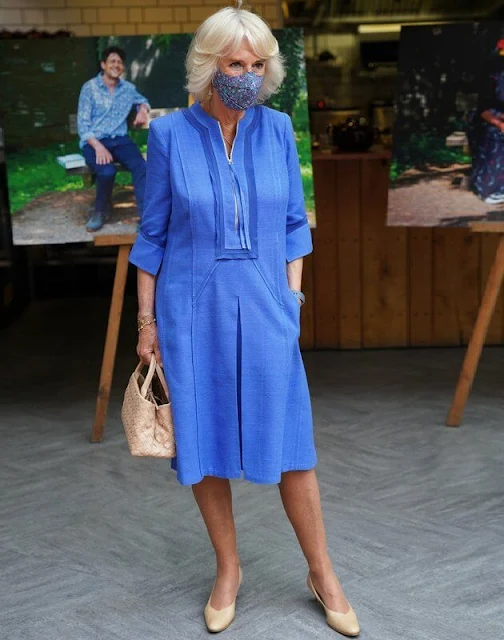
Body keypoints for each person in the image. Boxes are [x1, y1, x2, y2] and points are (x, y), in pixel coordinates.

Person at [129, 2, 360, 636]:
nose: (247, 75)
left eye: (258, 64)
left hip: (266, 305)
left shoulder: (279, 129)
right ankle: (227, 569)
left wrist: (292, 301)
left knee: (292, 444)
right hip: (190, 309)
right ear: (208, 65)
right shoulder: (171, 134)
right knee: (201, 441)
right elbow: (151, 238)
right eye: (236, 63)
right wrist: (147, 325)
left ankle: (322, 570)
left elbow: (292, 225)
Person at [77, 46, 150, 232]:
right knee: (107, 172)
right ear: (103, 65)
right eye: (112, 61)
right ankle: (99, 212)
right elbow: (83, 125)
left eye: (119, 62)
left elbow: (143, 100)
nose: (116, 65)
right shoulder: (90, 88)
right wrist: (98, 147)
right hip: (95, 141)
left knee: (141, 167)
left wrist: (142, 110)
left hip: (120, 140)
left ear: (122, 67)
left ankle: (146, 217)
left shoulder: (128, 89)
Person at [470, 38, 504, 204]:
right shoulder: (490, 79)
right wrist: (499, 123)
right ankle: (490, 189)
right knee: (495, 137)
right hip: (486, 119)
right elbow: (483, 108)